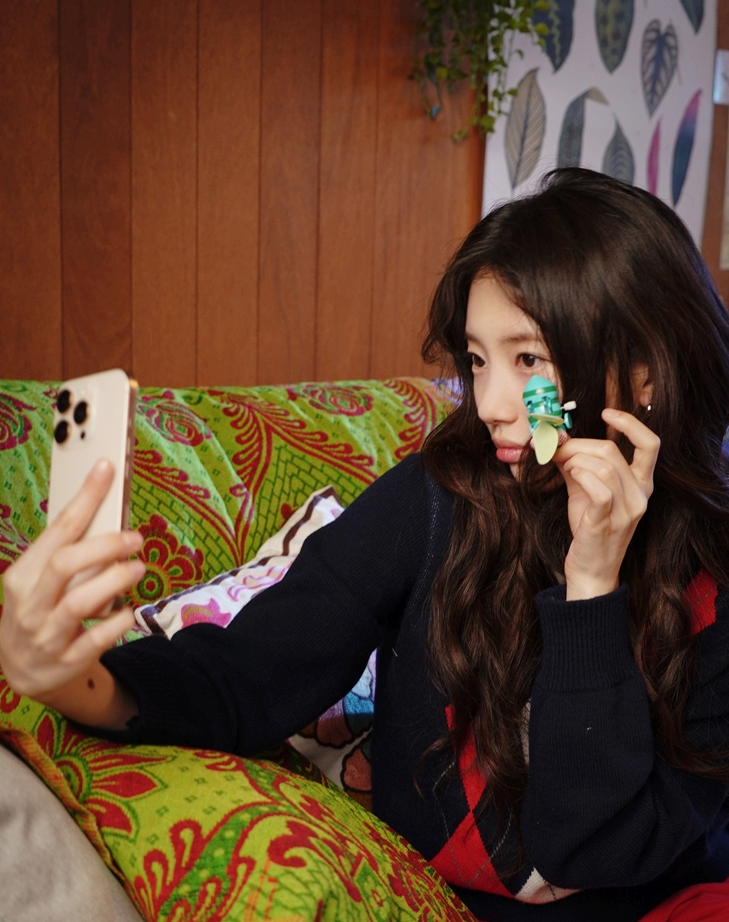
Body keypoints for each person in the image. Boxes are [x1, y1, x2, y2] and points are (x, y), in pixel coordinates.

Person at [3, 167, 729, 922]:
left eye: (528, 360)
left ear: (643, 376)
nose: (489, 405)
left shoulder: (715, 579)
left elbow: (589, 853)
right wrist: (72, 680)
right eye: (477, 360)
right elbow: (251, 671)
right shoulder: (436, 500)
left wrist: (593, 585)